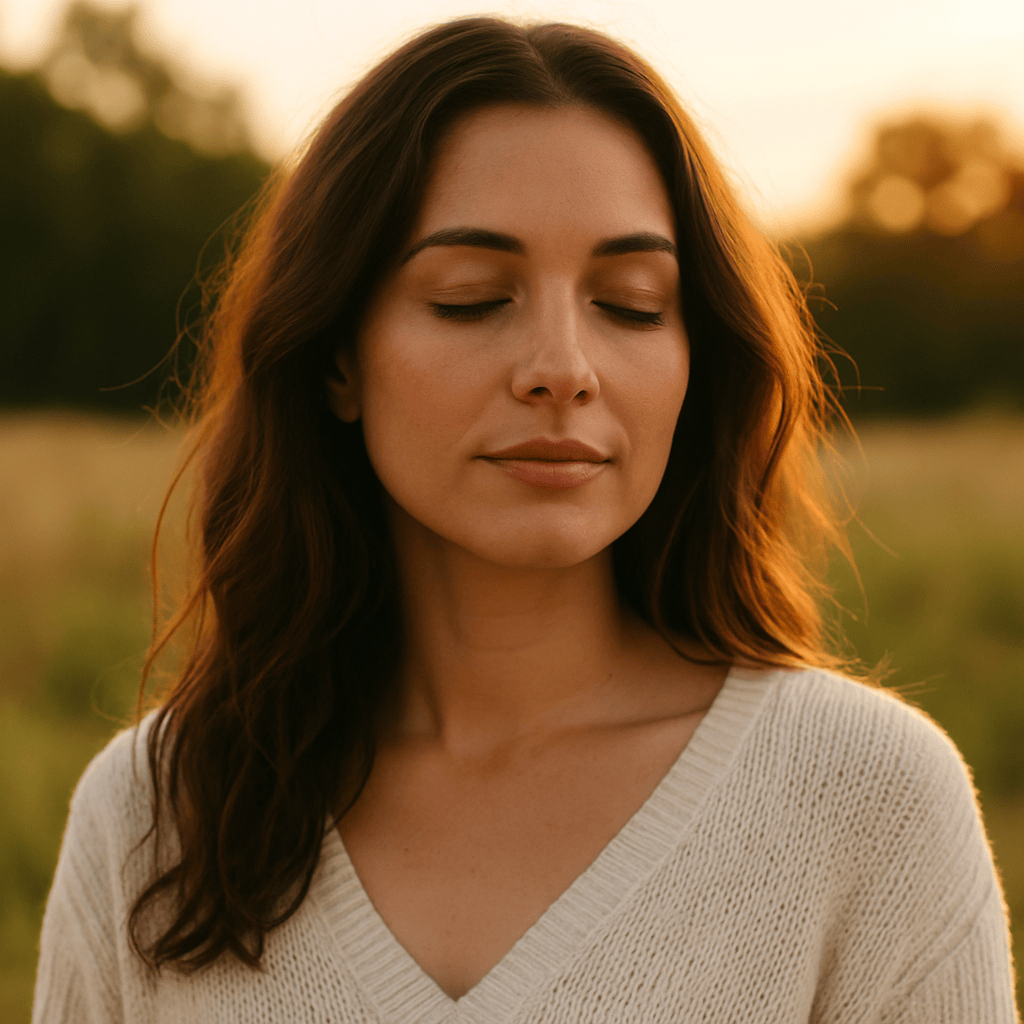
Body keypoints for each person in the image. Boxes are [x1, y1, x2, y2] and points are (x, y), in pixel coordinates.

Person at [33, 16, 1017, 1024]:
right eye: (471, 298)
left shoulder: (863, 800)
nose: (562, 367)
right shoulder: (156, 816)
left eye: (630, 303)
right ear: (336, 358)